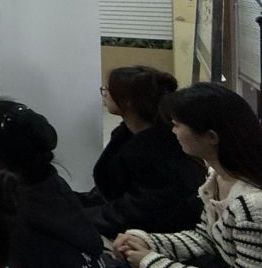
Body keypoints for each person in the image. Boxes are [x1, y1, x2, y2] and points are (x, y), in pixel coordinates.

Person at [114, 83, 262, 268]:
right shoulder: (216, 178)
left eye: (177, 125)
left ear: (211, 137)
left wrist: (151, 262)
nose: (172, 131)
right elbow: (206, 238)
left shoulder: (251, 206)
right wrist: (147, 241)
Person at [78, 66, 204, 238]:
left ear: (128, 101)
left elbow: (135, 212)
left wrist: (73, 216)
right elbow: (106, 194)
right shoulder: (128, 136)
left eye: (107, 89)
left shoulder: (161, 154)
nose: (104, 93)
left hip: (152, 237)